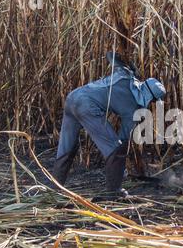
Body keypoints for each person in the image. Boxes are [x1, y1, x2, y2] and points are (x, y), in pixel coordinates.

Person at [53, 52, 166, 197]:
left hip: (72, 98)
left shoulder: (126, 75)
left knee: (67, 148)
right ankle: (114, 191)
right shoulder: (134, 108)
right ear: (150, 97)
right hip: (86, 106)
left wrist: (130, 66)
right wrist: (120, 165)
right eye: (153, 101)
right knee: (115, 150)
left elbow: (110, 55)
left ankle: (54, 190)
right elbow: (124, 140)